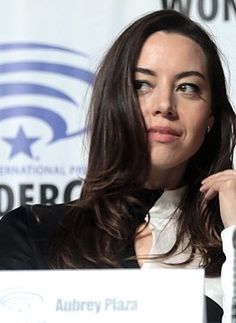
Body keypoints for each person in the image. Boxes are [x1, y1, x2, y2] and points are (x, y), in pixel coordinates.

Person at [0, 9, 235, 323]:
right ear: (114, 101)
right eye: (141, 84)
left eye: (187, 87)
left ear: (211, 116)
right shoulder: (32, 233)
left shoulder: (229, 236)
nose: (164, 105)